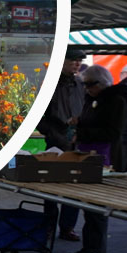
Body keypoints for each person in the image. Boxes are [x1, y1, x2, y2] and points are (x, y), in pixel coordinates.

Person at [68, 64, 127, 253]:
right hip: (87, 154)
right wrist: (79, 123)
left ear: (102, 83)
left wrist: (83, 131)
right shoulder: (92, 99)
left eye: (90, 85)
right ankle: (89, 246)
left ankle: (98, 249)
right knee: (88, 204)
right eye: (85, 85)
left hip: (103, 157)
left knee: (97, 206)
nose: (87, 89)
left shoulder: (116, 101)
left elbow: (113, 132)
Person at [38, 49, 86, 241]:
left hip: (76, 142)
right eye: (72, 60)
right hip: (55, 142)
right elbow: (39, 117)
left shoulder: (80, 84)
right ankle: (48, 226)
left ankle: (67, 227)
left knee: (73, 188)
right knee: (51, 187)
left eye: (79, 60)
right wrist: (52, 132)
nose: (77, 63)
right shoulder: (50, 84)